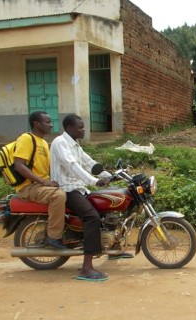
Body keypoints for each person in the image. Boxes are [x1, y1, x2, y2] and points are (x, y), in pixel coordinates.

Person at [50, 113, 133, 281]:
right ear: (69, 128)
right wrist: (94, 181)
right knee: (92, 218)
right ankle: (86, 268)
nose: (83, 130)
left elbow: (89, 163)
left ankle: (113, 249)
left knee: (104, 211)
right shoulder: (60, 143)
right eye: (80, 127)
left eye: (83, 126)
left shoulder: (75, 145)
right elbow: (72, 166)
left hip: (79, 188)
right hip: (67, 189)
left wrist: (109, 175)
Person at [14, 111, 67, 249]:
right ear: (36, 124)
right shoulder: (26, 139)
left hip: (40, 186)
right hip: (29, 187)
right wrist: (43, 182)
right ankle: (53, 237)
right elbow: (19, 166)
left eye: (51, 122)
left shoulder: (43, 142)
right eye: (47, 122)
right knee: (58, 195)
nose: (51, 125)